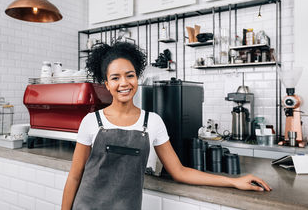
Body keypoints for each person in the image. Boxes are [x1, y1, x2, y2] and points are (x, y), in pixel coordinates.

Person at [61, 42, 271, 210]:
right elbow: (75, 176)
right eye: (115, 78)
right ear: (107, 84)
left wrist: (234, 181)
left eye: (130, 75)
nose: (124, 83)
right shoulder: (91, 122)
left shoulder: (151, 122)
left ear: (137, 78)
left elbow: (179, 171)